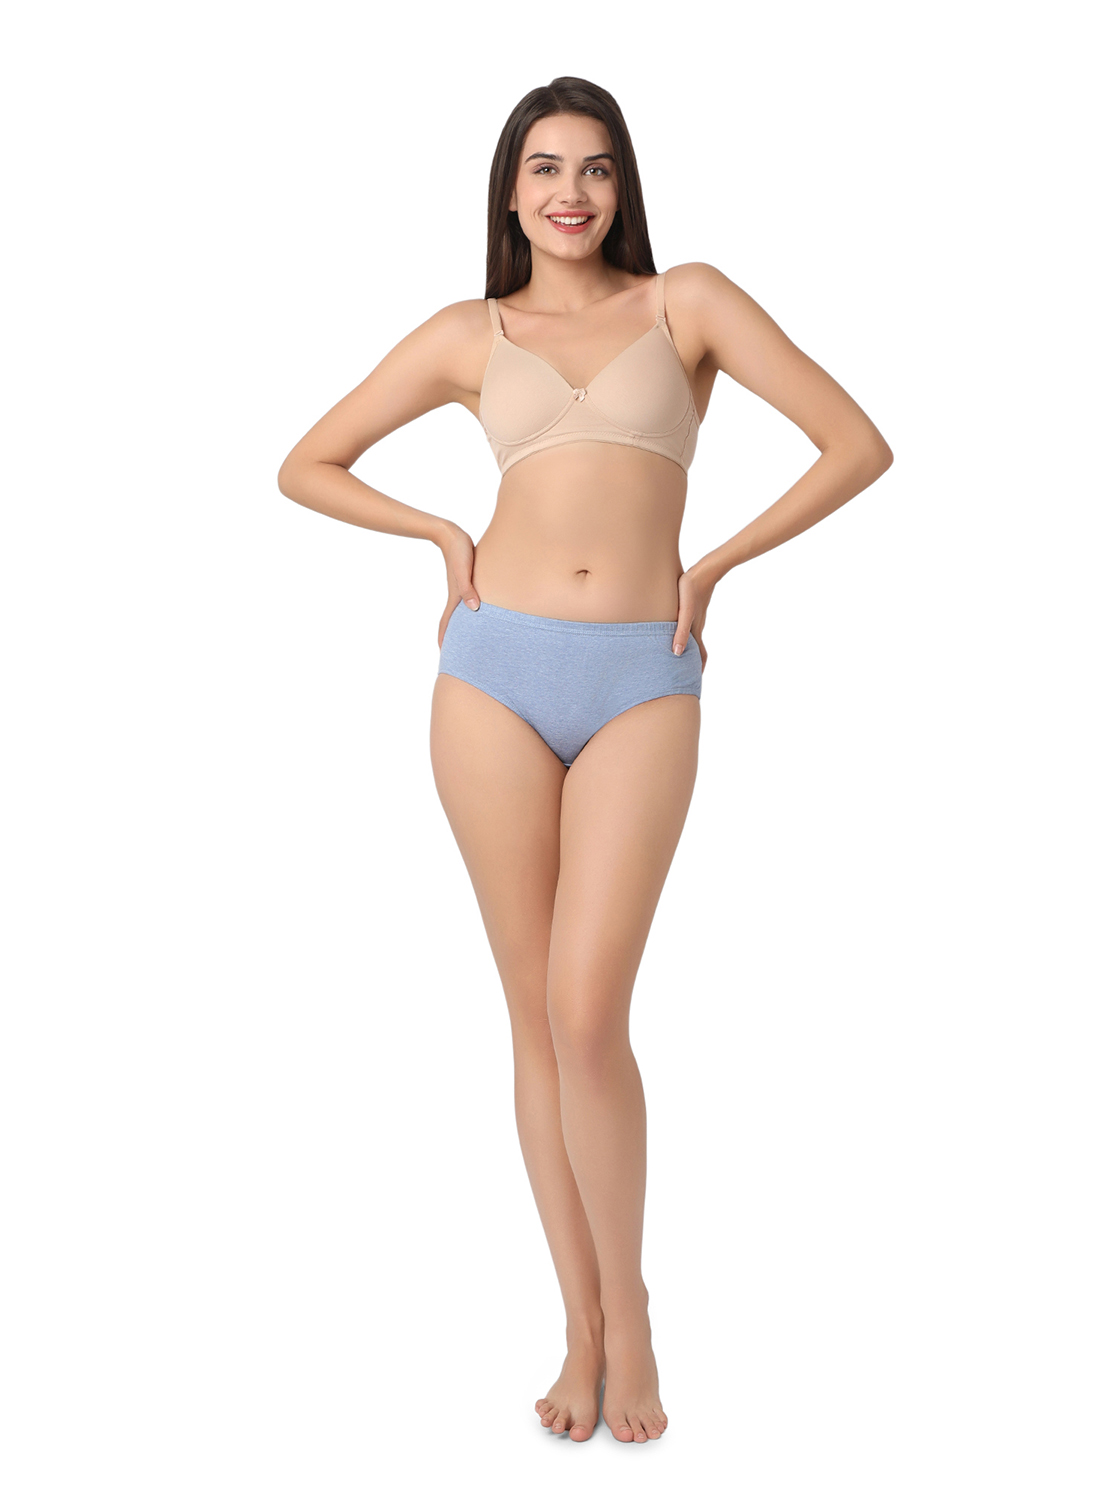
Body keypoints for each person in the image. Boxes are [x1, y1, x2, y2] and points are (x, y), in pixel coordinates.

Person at [277, 76, 893, 1445]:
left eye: (597, 168)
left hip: (640, 677)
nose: (572, 191)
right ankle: (581, 1326)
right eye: (546, 167)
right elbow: (307, 464)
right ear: (510, 191)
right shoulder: (468, 332)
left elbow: (858, 444)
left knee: (587, 1008)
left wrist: (716, 565)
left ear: (623, 186)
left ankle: (636, 1310)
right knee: (531, 1013)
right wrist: (443, 536)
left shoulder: (688, 303)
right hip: (490, 672)